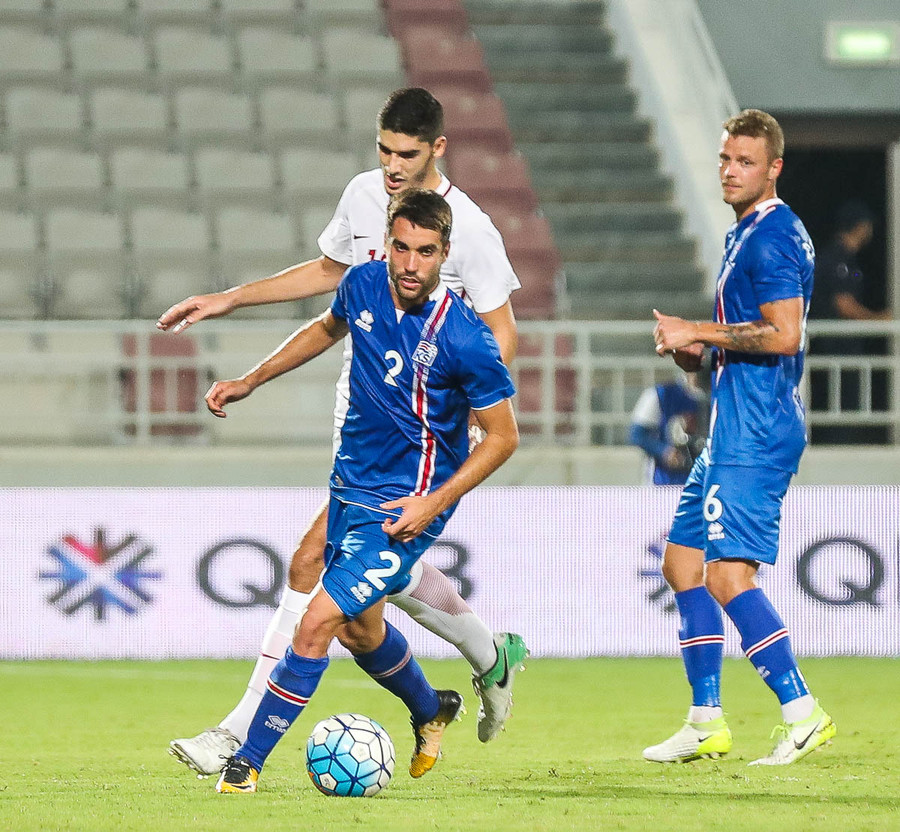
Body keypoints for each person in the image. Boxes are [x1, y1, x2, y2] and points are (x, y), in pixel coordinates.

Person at [161, 88, 528, 776]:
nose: (392, 166)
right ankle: (481, 661)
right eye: (384, 151)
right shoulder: (365, 197)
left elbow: (499, 332)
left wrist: (455, 404)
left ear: (437, 150)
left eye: (407, 155)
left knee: (315, 569)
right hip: (358, 422)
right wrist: (234, 299)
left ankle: (237, 736)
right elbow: (333, 279)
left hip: (420, 442)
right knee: (364, 614)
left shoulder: (472, 231)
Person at [644, 109, 835, 766]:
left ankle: (802, 712)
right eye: (726, 158)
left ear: (773, 168)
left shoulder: (772, 237)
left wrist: (698, 327)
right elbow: (750, 336)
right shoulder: (744, 232)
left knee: (728, 575)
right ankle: (705, 722)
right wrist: (696, 352)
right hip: (732, 426)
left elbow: (784, 335)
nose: (730, 170)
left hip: (755, 432)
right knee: (682, 563)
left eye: (745, 161)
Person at [808, 200, 890, 444]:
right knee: (839, 399)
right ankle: (836, 442)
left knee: (847, 398)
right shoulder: (837, 257)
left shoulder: (848, 259)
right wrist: (878, 320)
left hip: (843, 346)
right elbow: (843, 304)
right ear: (860, 226)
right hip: (834, 345)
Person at [628, 374, 705, 485]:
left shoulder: (717, 397)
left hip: (702, 481)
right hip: (663, 481)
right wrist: (664, 451)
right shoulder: (661, 394)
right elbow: (637, 435)